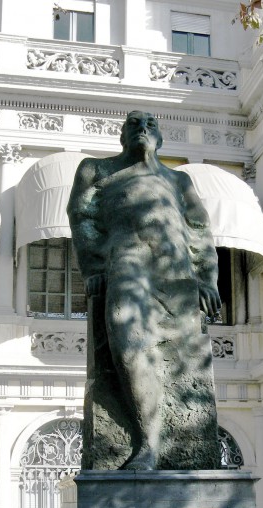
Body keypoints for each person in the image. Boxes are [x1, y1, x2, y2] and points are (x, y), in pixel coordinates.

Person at [68, 111, 221, 470]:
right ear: (121, 134)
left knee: (179, 361)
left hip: (176, 272)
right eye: (134, 124)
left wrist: (208, 278)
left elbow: (199, 230)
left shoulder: (178, 179)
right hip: (127, 262)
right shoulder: (97, 170)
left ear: (161, 138)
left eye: (151, 125)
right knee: (125, 338)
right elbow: (82, 218)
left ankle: (172, 447)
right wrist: (93, 266)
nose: (142, 129)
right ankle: (146, 443)